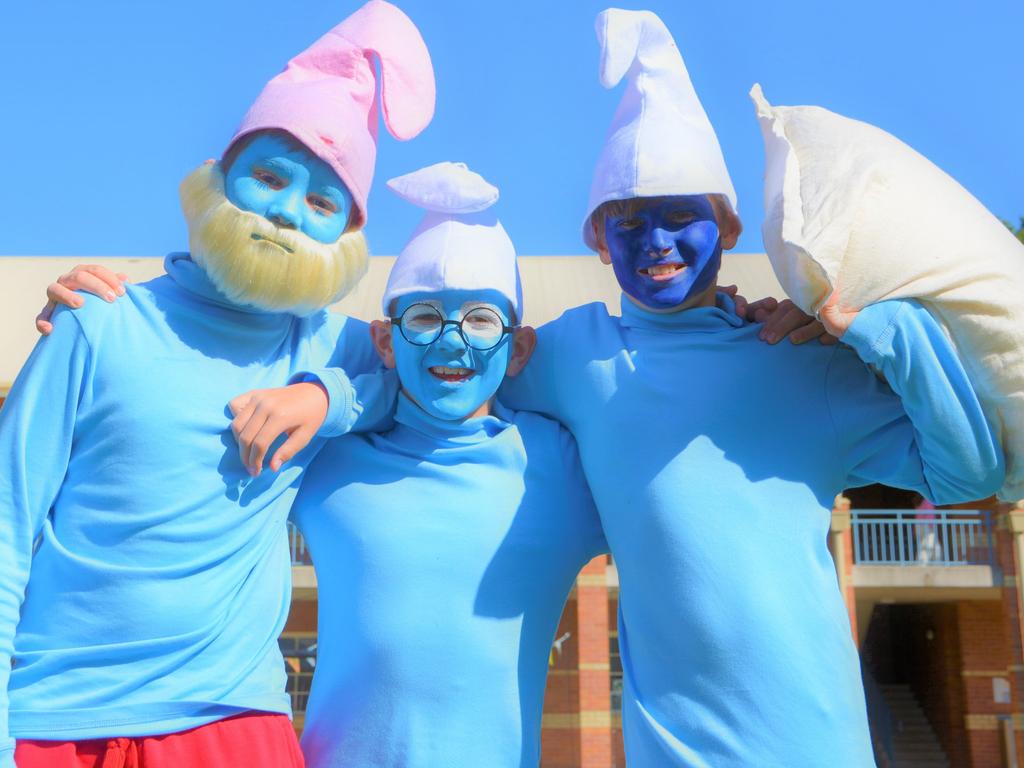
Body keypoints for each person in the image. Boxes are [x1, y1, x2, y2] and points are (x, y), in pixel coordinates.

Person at [222, 9, 1004, 767]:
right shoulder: (573, 359)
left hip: (816, 746)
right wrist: (332, 397)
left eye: (679, 217)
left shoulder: (796, 360)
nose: (655, 241)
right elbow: (433, 380)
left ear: (727, 226)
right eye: (627, 222)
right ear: (597, 237)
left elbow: (966, 473)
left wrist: (883, 331)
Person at [0, 3, 434, 766]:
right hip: (57, 717)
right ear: (221, 174)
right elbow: (7, 525)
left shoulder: (332, 344)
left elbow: (418, 385)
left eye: (322, 202)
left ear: (346, 236)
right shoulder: (97, 322)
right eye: (269, 175)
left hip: (232, 718)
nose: (284, 211)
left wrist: (326, 398)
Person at [293, 161, 607, 768]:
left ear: (518, 349)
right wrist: (111, 309)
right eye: (425, 317)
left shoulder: (561, 467)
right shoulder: (325, 461)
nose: (452, 340)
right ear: (385, 341)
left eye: (482, 319)